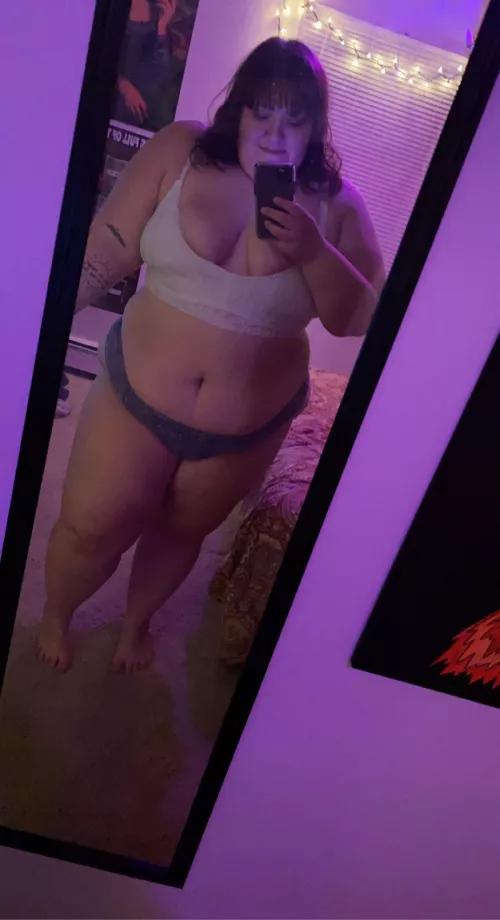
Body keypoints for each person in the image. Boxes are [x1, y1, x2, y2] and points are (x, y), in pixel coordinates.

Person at [36, 38, 385, 672]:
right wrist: (36, 333)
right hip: (134, 396)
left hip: (247, 427)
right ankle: (56, 617)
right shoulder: (181, 150)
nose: (275, 134)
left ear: (315, 127)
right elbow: (105, 249)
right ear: (238, 111)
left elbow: (361, 318)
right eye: (262, 113)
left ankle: (136, 624)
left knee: (181, 532)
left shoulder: (338, 205)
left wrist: (314, 251)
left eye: (294, 119)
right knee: (89, 526)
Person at [115, 0, 182, 133]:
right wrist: (124, 86)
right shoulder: (114, 8)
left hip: (147, 109)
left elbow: (162, 73)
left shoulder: (159, 10)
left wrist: (162, 28)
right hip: (115, 103)